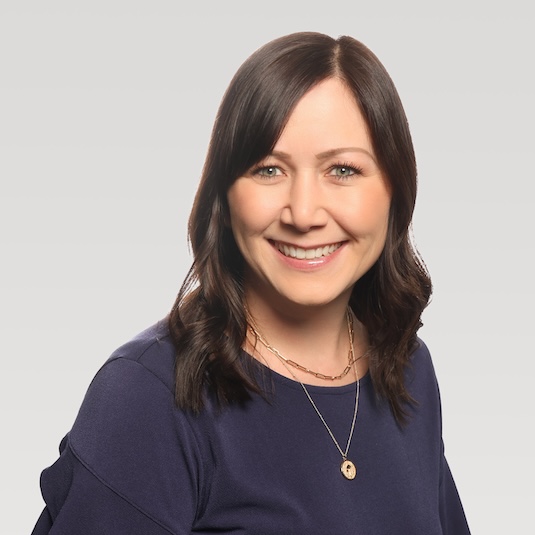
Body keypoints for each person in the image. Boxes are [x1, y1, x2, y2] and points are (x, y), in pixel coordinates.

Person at [31, 31, 471, 534]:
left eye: (343, 169)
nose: (303, 213)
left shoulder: (408, 369)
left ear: (396, 187)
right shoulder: (149, 396)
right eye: (268, 169)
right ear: (226, 194)